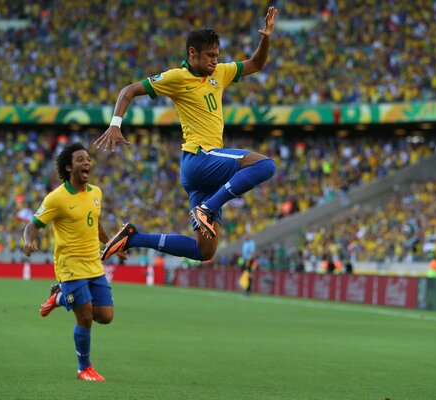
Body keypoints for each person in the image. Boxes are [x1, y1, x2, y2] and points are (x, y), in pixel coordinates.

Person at [96, 6, 279, 263]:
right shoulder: (176, 78)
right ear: (192, 53)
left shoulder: (220, 73)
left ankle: (133, 238)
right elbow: (128, 90)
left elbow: (257, 63)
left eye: (217, 55)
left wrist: (266, 37)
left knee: (204, 251)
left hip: (203, 173)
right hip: (200, 157)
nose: (215, 60)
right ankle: (208, 207)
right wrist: (115, 124)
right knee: (266, 165)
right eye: (209, 55)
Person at [22, 142, 127, 382]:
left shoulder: (96, 192)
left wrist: (112, 243)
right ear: (69, 167)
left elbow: (96, 224)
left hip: (94, 264)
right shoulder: (56, 198)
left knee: (106, 315)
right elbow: (32, 224)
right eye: (81, 159)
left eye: (88, 159)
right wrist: (28, 241)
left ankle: (59, 297)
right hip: (70, 266)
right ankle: (84, 368)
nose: (87, 162)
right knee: (85, 316)